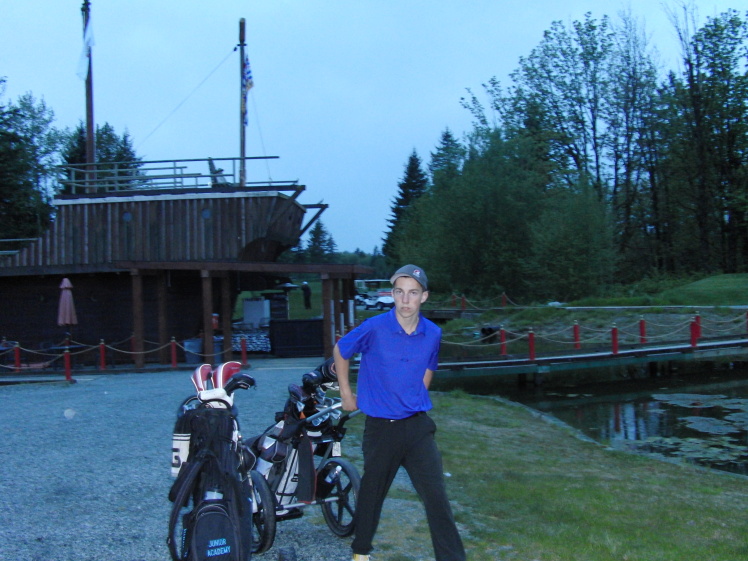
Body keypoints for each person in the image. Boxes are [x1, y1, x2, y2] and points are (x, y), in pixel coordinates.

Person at [334, 265, 465, 561]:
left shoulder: (433, 333)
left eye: (413, 293)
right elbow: (341, 350)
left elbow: (429, 365)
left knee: (436, 497)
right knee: (372, 493)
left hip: (418, 428)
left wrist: (417, 393)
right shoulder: (374, 327)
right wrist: (346, 394)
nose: (406, 300)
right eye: (400, 292)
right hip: (381, 428)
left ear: (424, 296)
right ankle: (361, 553)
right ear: (392, 294)